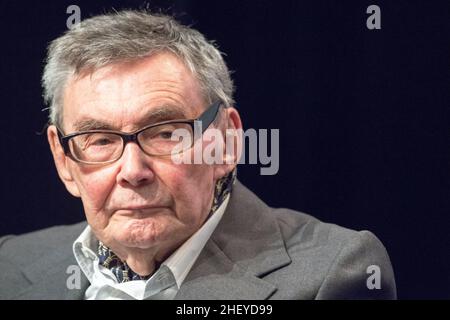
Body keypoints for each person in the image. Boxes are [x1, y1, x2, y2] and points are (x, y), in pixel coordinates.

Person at [0, 10, 396, 300]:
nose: (132, 171)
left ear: (225, 142)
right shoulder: (10, 265)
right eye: (100, 140)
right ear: (64, 160)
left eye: (167, 133)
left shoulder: (333, 274)